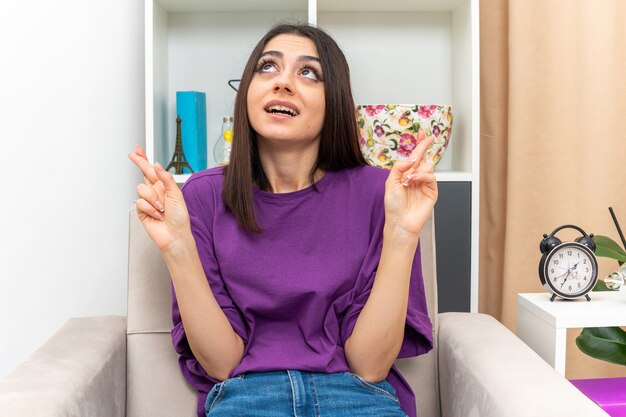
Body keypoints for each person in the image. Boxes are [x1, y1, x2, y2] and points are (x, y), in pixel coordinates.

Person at [129, 23, 437, 417]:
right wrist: (177, 248)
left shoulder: (382, 194)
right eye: (267, 67)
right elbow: (222, 364)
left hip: (357, 397)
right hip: (245, 398)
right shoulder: (202, 197)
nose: (283, 83)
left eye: (308, 72)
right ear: (248, 93)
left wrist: (401, 233)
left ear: (335, 102)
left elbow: (371, 365)